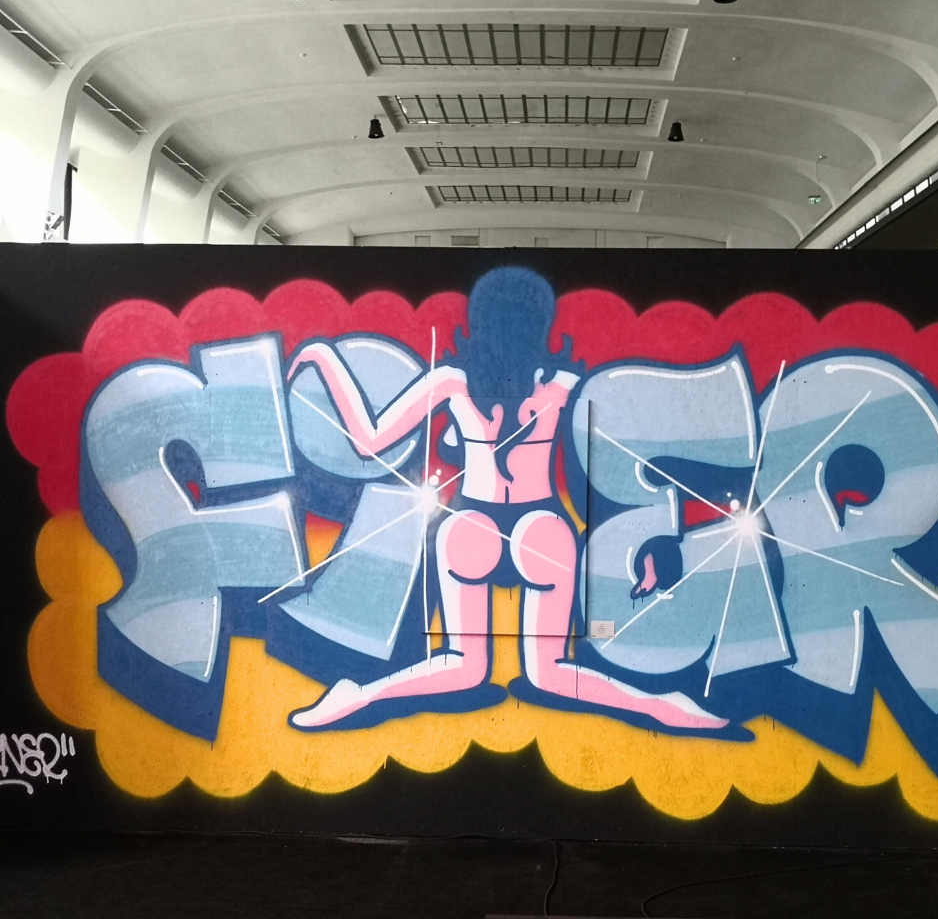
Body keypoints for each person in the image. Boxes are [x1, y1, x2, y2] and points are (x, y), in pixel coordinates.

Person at [287, 267, 727, 733]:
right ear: (542, 323)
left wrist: (321, 355)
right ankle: (662, 706)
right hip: (543, 527)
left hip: (470, 524)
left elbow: (368, 440)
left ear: (478, 320)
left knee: (464, 666)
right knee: (549, 672)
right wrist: (651, 545)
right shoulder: (563, 383)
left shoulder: (452, 380)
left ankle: (357, 696)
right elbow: (631, 464)